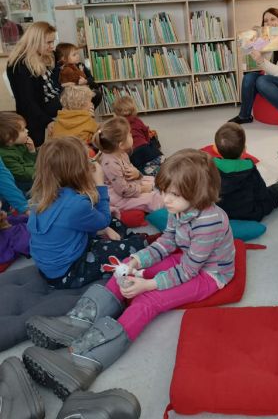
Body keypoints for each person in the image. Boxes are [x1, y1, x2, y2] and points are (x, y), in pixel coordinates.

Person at [23, 149, 236, 398]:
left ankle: (83, 361)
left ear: (199, 192)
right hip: (188, 259)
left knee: (148, 300)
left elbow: (189, 270)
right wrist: (137, 260)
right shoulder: (178, 208)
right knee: (124, 266)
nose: (165, 199)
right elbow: (167, 242)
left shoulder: (209, 221)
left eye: (174, 194)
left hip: (209, 274)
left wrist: (148, 285)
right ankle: (77, 321)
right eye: (163, 191)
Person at [26, 137, 146, 290]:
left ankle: (126, 238)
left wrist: (105, 228)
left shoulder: (41, 197)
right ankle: (139, 240)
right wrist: (100, 184)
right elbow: (102, 220)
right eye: (87, 160)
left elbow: (74, 220)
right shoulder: (76, 204)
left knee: (111, 222)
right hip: (68, 273)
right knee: (134, 245)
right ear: (78, 170)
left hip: (53, 266)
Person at [230, 7, 278, 134]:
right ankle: (244, 115)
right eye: (266, 21)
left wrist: (260, 59)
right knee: (248, 77)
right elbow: (265, 65)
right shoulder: (268, 37)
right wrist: (253, 44)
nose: (269, 23)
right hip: (274, 77)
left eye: (273, 19)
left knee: (262, 81)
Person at [214, 122, 278, 221]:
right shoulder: (249, 169)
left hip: (222, 212)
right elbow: (262, 194)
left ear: (216, 149)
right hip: (251, 214)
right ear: (244, 149)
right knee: (275, 192)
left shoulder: (211, 167)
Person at [7, 21, 61, 146]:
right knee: (81, 101)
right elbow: (27, 102)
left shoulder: (42, 55)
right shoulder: (20, 65)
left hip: (48, 101)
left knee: (88, 95)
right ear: (35, 41)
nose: (52, 47)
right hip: (37, 109)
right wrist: (47, 121)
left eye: (53, 42)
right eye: (48, 42)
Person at [93, 116, 163, 213]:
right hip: (118, 196)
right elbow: (123, 191)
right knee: (152, 199)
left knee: (155, 180)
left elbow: (131, 171)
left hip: (128, 185)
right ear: (121, 145)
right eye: (130, 134)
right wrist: (143, 189)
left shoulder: (122, 153)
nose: (131, 135)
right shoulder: (110, 163)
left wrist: (137, 174)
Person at [112, 95, 163, 176]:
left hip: (133, 153)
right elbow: (146, 133)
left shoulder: (118, 125)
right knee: (159, 162)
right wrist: (147, 143)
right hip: (146, 148)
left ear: (115, 113)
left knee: (142, 172)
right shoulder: (137, 120)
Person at [54, 42, 102, 108]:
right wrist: (66, 84)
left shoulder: (80, 65)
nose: (78, 56)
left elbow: (91, 78)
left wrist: (85, 81)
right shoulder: (60, 69)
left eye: (77, 54)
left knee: (96, 93)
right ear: (63, 58)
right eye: (74, 55)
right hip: (69, 94)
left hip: (82, 89)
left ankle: (89, 111)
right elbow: (57, 84)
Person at [0, 111, 36, 195]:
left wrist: (31, 151)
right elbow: (24, 175)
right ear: (9, 138)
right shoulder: (5, 156)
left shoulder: (20, 144)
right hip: (19, 186)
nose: (27, 131)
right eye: (23, 130)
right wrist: (40, 170)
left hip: (28, 176)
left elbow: (29, 162)